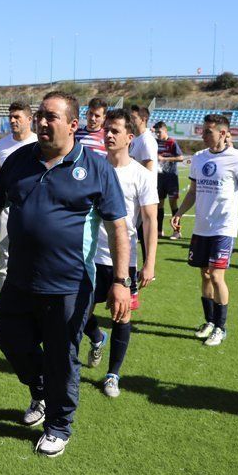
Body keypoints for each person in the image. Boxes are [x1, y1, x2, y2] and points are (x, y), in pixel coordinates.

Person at [0, 91, 130, 458]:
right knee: (6, 334)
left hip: (69, 284)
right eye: (40, 115)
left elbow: (119, 229)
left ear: (73, 125)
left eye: (51, 117)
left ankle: (58, 425)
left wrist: (121, 282)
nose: (42, 122)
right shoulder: (17, 161)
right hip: (19, 279)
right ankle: (42, 390)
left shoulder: (95, 168)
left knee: (62, 355)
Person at [82, 109, 158, 398]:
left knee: (121, 316)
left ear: (130, 137)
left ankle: (113, 374)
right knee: (78, 312)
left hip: (123, 262)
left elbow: (150, 221)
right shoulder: (93, 167)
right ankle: (96, 338)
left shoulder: (141, 174)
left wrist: (149, 263)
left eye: (115, 131)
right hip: (89, 256)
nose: (109, 135)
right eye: (107, 130)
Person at [171, 114, 238, 346]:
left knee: (217, 276)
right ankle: (209, 321)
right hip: (202, 227)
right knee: (204, 274)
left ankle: (221, 327)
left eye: (208, 131)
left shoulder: (237, 158)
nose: (203, 134)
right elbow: (193, 191)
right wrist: (179, 213)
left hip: (224, 228)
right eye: (203, 130)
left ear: (222, 133)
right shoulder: (199, 158)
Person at [0, 101, 37, 291]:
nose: (13, 121)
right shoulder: (1, 146)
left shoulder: (39, 144)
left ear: (29, 119)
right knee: (5, 253)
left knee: (32, 254)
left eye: (17, 117)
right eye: (11, 117)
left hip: (35, 209)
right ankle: (5, 299)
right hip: (7, 208)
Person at [129, 105, 158, 262]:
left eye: (134, 118)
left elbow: (148, 168)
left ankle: (148, 264)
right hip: (136, 191)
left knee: (143, 230)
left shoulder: (147, 140)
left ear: (144, 119)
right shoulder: (136, 139)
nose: (132, 121)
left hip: (143, 193)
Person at [153, 121, 184, 239]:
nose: (157, 134)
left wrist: (165, 158)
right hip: (159, 178)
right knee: (159, 204)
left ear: (165, 131)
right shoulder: (155, 142)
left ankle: (177, 231)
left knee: (173, 204)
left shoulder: (172, 142)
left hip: (171, 178)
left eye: (159, 132)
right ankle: (159, 231)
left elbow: (181, 158)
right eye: (156, 132)